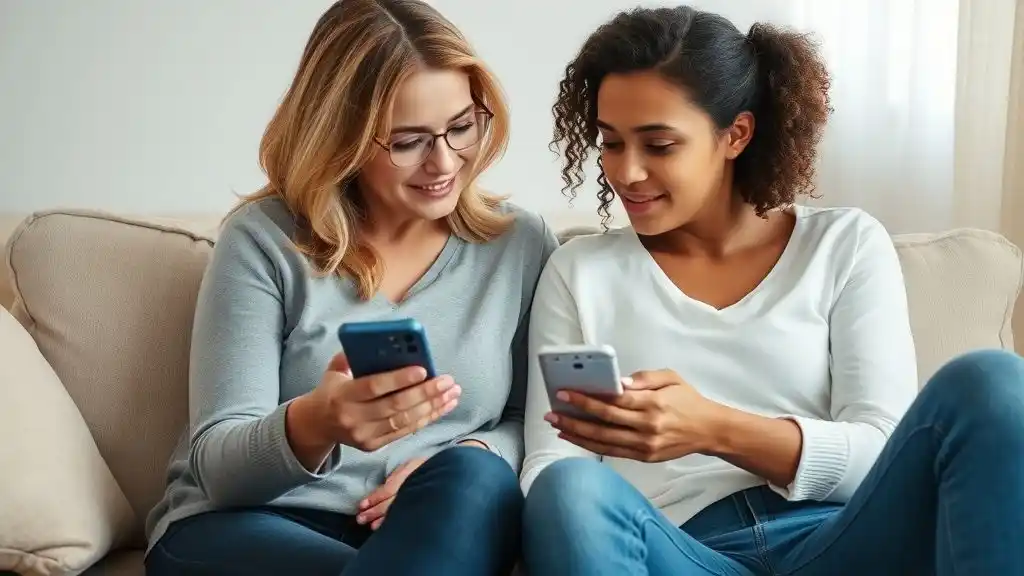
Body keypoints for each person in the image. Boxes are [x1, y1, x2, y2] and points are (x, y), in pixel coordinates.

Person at [520, 5, 1024, 575]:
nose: (626, 172)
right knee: (568, 486)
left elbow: (882, 450)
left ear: (735, 135)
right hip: (681, 554)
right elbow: (550, 469)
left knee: (993, 381)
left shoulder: (845, 245)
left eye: (658, 145)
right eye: (611, 143)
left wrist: (711, 427)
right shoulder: (579, 272)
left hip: (843, 542)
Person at [143, 1, 557, 575]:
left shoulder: (521, 244)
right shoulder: (264, 239)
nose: (444, 162)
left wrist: (471, 452)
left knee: (477, 477)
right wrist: (318, 422)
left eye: (462, 127)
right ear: (344, 137)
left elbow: (535, 421)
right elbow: (218, 469)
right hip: (253, 524)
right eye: (408, 141)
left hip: (433, 524)